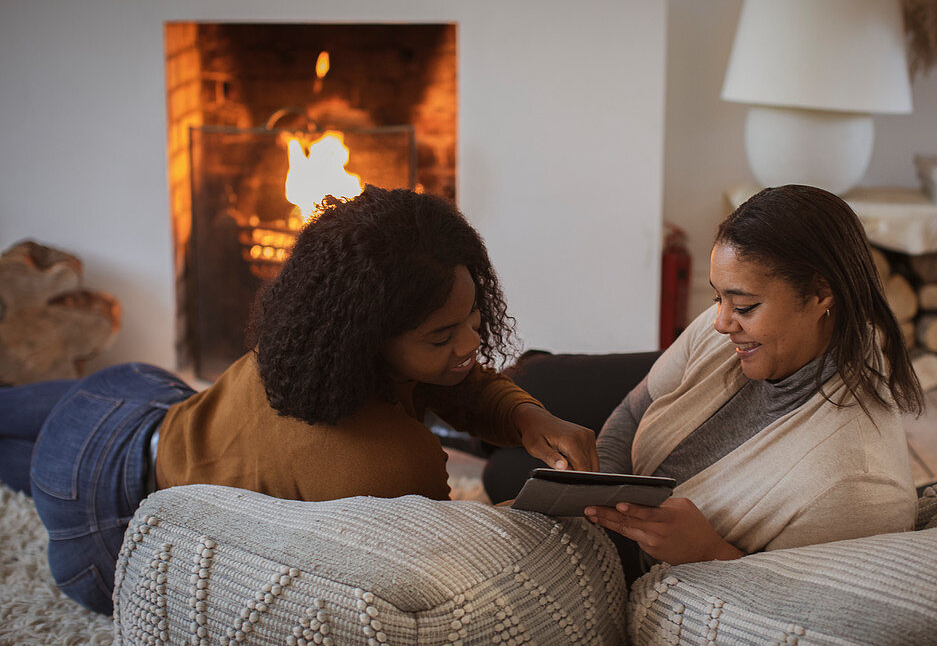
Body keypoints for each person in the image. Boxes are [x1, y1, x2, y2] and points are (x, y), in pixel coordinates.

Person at [0, 186, 597, 615]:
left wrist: (527, 415)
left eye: (472, 317)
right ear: (365, 337)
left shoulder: (310, 345)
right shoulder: (388, 463)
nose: (472, 343)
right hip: (103, 518)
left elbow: (458, 382)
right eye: (442, 336)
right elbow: (439, 570)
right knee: (45, 465)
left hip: (128, 398)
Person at [584, 184, 924, 577]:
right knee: (534, 385)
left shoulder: (852, 491)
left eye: (744, 306)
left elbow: (786, 611)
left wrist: (710, 552)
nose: (721, 323)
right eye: (718, 299)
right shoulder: (738, 328)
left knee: (508, 469)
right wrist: (595, 498)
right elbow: (630, 412)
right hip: (638, 479)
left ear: (820, 294)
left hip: (657, 566)